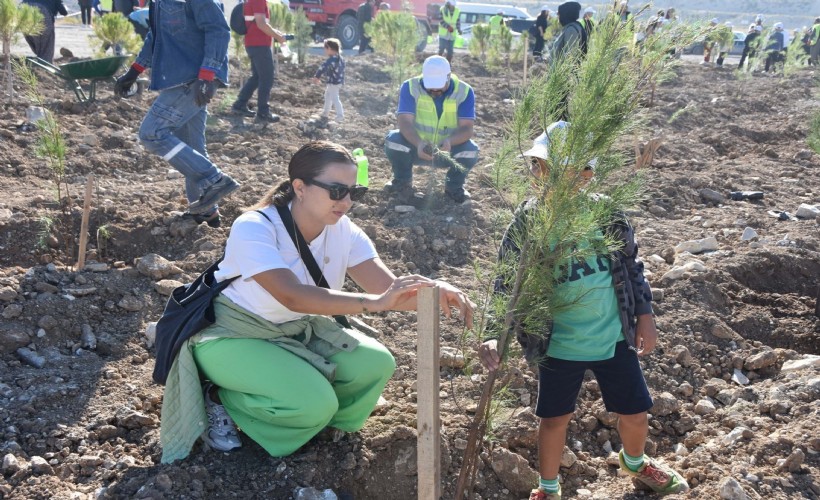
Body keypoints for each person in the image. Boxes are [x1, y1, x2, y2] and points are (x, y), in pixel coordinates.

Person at [157, 140, 475, 463]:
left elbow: (388, 289)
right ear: (300, 187)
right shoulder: (255, 227)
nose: (347, 202)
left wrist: (437, 293)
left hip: (296, 329)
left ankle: (319, 427)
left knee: (376, 364)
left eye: (355, 192)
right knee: (314, 402)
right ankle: (219, 395)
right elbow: (292, 295)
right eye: (337, 190)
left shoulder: (344, 231)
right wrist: (375, 302)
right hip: (236, 334)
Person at [478, 122, 690, 500]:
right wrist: (494, 331)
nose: (543, 176)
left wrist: (645, 316)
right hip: (558, 344)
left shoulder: (607, 215)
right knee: (554, 419)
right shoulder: (529, 222)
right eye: (539, 168)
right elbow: (505, 281)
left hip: (613, 338)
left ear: (586, 174)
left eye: (558, 170)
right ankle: (548, 488)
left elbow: (632, 267)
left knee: (636, 414)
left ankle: (635, 462)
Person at [114, 0, 237, 229]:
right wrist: (134, 71)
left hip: (195, 78)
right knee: (192, 147)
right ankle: (205, 212)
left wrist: (207, 75)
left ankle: (214, 180)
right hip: (178, 78)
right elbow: (156, 37)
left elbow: (218, 30)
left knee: (152, 133)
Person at [384, 56, 479, 204]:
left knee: (471, 150)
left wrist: (449, 141)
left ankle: (454, 187)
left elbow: (467, 128)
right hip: (416, 148)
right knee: (393, 140)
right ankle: (402, 182)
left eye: (439, 85)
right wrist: (419, 143)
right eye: (431, 85)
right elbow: (404, 122)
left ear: (448, 77)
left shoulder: (464, 91)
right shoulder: (410, 87)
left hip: (448, 151)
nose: (435, 89)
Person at [230, 0, 290, 124]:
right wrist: (278, 37)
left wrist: (277, 34)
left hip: (253, 44)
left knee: (257, 77)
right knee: (266, 78)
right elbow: (261, 24)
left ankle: (239, 105)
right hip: (260, 46)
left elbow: (261, 24)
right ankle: (263, 113)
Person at [312, 38, 345, 123]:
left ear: (330, 48)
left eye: (325, 48)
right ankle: (325, 113)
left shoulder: (331, 59)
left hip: (333, 82)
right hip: (337, 82)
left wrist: (317, 77)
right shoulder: (340, 58)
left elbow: (323, 67)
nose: (324, 50)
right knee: (328, 96)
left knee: (334, 98)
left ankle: (340, 116)